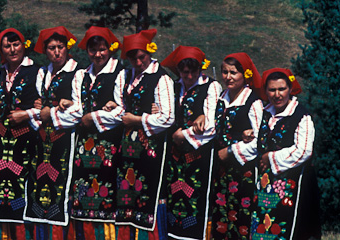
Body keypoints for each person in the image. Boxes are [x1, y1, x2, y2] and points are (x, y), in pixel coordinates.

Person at [241, 68, 318, 239]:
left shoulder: (301, 116)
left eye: (281, 89)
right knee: (263, 228)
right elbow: (260, 137)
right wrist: (248, 135)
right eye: (272, 90)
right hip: (265, 185)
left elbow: (304, 151)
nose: (277, 95)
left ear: (290, 89)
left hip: (291, 186)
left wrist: (271, 158)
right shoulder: (266, 113)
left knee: (285, 228)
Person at [114, 29, 174, 238]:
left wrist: (138, 120)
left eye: (142, 57)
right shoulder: (125, 76)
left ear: (149, 53)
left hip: (150, 149)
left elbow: (167, 118)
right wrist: (118, 111)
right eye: (133, 59)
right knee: (127, 195)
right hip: (128, 149)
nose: (138, 63)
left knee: (148, 194)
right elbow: (120, 107)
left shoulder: (161, 79)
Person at [67, 26, 126, 239]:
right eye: (93, 50)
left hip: (109, 145)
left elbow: (123, 111)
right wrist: (65, 107)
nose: (98, 54)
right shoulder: (81, 75)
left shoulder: (120, 73)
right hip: (84, 146)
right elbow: (77, 107)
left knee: (106, 194)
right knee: (83, 193)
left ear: (110, 49)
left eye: (102, 49)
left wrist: (94, 116)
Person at [159, 45, 223, 239]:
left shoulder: (211, 87)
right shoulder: (174, 86)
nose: (188, 76)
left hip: (199, 155)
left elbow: (211, 125)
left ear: (200, 69)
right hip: (175, 156)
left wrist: (184, 135)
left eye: (193, 72)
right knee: (174, 195)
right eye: (184, 71)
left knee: (196, 196)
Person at [27, 25, 82, 239]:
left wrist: (52, 113)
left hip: (64, 138)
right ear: (45, 51)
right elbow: (37, 103)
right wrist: (44, 111)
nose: (57, 52)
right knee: (39, 182)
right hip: (41, 139)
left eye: (60, 47)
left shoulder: (77, 73)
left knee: (61, 185)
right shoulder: (43, 73)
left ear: (67, 48)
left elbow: (78, 110)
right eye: (52, 48)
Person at [0, 28, 41, 240]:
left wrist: (27, 114)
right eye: (7, 46)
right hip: (2, 140)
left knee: (23, 185)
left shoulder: (36, 72)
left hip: (26, 139)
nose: (12, 49)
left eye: (16, 44)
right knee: (1, 185)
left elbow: (45, 105)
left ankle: (23, 235)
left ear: (24, 46)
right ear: (1, 50)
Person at [209, 53, 260, 240]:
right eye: (225, 72)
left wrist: (232, 151)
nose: (228, 77)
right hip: (222, 170)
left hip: (243, 171)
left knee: (241, 216)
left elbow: (259, 141)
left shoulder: (253, 102)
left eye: (233, 72)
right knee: (221, 215)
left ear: (245, 75)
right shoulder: (222, 98)